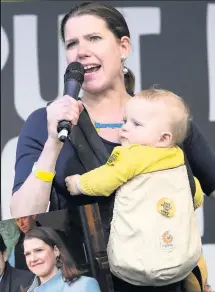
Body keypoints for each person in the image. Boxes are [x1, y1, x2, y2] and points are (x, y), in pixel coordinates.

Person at [10, 1, 215, 291]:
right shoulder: (44, 122)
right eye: (71, 43)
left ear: (123, 47)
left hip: (171, 281)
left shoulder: (164, 118)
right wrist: (53, 143)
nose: (81, 51)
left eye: (94, 38)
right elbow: (24, 214)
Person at [65, 88, 209, 292]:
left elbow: (105, 179)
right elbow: (195, 194)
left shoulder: (131, 155)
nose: (124, 128)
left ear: (163, 138)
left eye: (136, 124)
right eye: (125, 121)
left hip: (134, 266)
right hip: (181, 262)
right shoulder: (177, 157)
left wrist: (79, 184)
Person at [22, 226, 101, 292]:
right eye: (27, 254)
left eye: (39, 250)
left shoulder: (84, 285)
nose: (33, 259)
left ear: (56, 251)